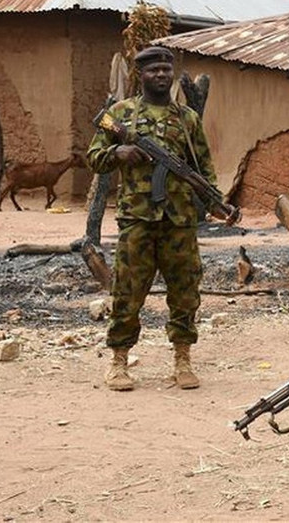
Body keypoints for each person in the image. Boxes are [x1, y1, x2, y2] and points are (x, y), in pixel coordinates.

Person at [86, 46, 218, 392]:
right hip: (137, 218)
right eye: (153, 70)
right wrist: (119, 152)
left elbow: (204, 166)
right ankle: (118, 361)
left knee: (185, 291)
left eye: (165, 69)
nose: (161, 75)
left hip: (179, 221)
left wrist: (215, 202)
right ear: (140, 75)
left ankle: (182, 359)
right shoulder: (120, 114)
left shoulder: (187, 119)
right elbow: (94, 157)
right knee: (127, 291)